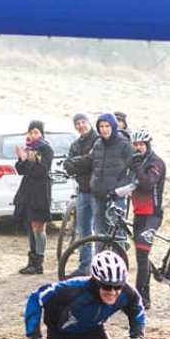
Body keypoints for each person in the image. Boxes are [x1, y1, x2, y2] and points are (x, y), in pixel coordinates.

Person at [129, 128, 166, 309]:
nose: (138, 147)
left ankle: (138, 299)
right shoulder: (137, 160)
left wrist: (136, 166)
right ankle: (145, 297)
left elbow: (147, 183)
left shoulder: (155, 162)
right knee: (141, 257)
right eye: (135, 144)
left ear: (147, 144)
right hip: (138, 213)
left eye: (141, 144)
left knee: (143, 257)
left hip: (152, 215)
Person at [13, 120, 54, 275]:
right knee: (30, 226)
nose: (32, 135)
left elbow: (41, 170)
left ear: (41, 133)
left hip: (41, 192)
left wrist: (28, 159)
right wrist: (22, 158)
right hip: (28, 191)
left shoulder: (46, 149)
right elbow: (21, 170)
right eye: (30, 132)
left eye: (36, 132)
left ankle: (39, 263)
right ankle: (31, 261)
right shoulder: (29, 148)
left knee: (39, 227)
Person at [89, 113, 134, 242]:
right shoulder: (97, 144)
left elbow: (134, 170)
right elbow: (92, 165)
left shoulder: (124, 145)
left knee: (117, 234)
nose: (104, 129)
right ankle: (99, 260)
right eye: (101, 126)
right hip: (99, 196)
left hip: (116, 197)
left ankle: (119, 260)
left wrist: (120, 188)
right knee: (99, 234)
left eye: (107, 126)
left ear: (113, 126)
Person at [63, 112, 97, 275]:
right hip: (82, 191)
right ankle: (85, 267)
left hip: (98, 192)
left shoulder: (98, 140)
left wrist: (79, 163)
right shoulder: (75, 145)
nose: (80, 125)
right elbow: (68, 166)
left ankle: (99, 267)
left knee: (100, 232)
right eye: (77, 124)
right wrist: (83, 163)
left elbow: (93, 161)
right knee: (83, 231)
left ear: (88, 122)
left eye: (83, 122)